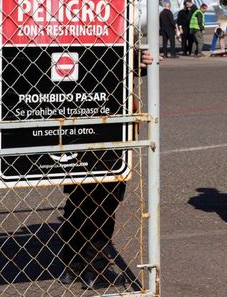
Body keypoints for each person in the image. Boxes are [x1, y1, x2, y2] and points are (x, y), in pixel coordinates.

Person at [61, 49, 155, 288]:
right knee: (95, 200)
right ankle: (91, 266)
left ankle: (77, 263)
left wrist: (139, 60)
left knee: (87, 199)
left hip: (100, 121)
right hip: (90, 119)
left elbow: (122, 59)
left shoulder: (114, 29)